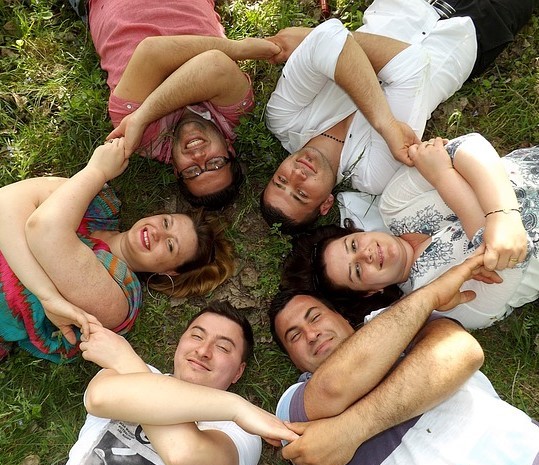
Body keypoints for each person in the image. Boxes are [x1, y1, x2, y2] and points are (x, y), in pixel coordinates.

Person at [260, 0, 535, 233]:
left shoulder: (284, 119)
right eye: (301, 194)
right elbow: (411, 65)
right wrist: (334, 52)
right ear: (326, 204)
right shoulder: (372, 176)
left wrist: (386, 123)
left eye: (281, 180)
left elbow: (325, 39)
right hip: (472, 29)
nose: (296, 175)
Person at [269, 256, 539, 465]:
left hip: (522, 454)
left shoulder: (394, 318)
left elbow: (462, 352)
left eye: (315, 317)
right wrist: (431, 295)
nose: (312, 334)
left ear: (343, 318)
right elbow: (333, 387)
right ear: (292, 360)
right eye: (294, 336)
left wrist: (349, 430)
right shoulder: (291, 409)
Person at [0, 138, 234, 363]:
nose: (157, 233)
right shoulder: (99, 205)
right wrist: (47, 295)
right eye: (165, 222)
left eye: (170, 245)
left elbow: (44, 230)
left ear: (169, 272)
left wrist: (97, 171)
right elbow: (5, 202)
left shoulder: (120, 301)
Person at [281, 133, 539, 328]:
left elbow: (467, 146)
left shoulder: (395, 204)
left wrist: (498, 218)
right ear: (372, 292)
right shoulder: (440, 299)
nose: (366, 255)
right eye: (357, 270)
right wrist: (444, 177)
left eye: (354, 245)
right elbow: (513, 254)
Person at [68, 0, 280, 209]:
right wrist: (238, 49)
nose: (199, 157)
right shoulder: (235, 117)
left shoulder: (144, 138)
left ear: (177, 171)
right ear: (229, 150)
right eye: (215, 164)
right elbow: (214, 65)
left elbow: (152, 53)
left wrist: (142, 117)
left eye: (192, 172)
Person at [58, 301, 298, 465]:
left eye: (224, 348)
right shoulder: (135, 370)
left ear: (238, 372)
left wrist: (124, 360)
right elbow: (99, 398)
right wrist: (237, 407)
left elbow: (184, 456)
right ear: (180, 342)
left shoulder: (240, 431)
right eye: (196, 336)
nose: (204, 351)